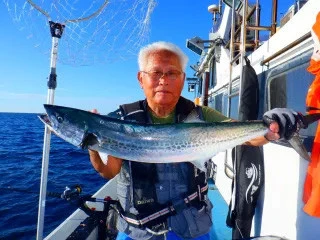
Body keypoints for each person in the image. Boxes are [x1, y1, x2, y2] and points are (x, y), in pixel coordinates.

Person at [88, 41, 300, 240]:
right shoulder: (122, 121)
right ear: (140, 78)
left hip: (191, 225)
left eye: (172, 73)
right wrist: (93, 148)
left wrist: (272, 127)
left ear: (182, 79)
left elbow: (248, 138)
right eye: (156, 73)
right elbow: (109, 172)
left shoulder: (201, 115)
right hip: (138, 230)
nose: (163, 80)